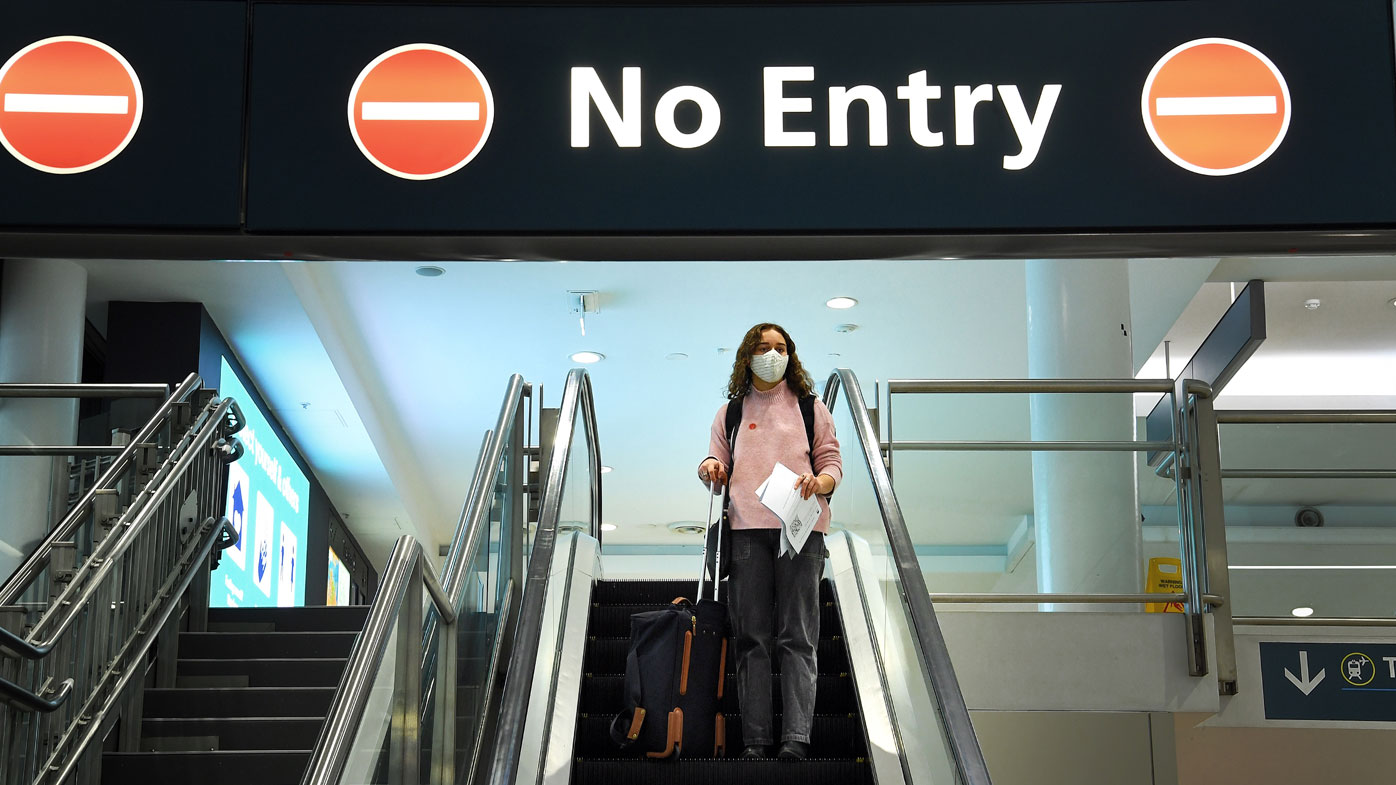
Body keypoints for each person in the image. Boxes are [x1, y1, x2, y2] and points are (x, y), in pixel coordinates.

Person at [697, 322, 842, 761]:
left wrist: (820, 481)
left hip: (801, 527)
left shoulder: (811, 408)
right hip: (745, 529)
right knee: (751, 638)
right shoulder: (732, 412)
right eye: (764, 347)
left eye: (781, 348)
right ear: (748, 355)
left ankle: (796, 738)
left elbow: (832, 461)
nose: (773, 355)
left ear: (791, 356)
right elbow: (716, 458)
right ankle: (757, 741)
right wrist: (709, 467)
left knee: (798, 635)